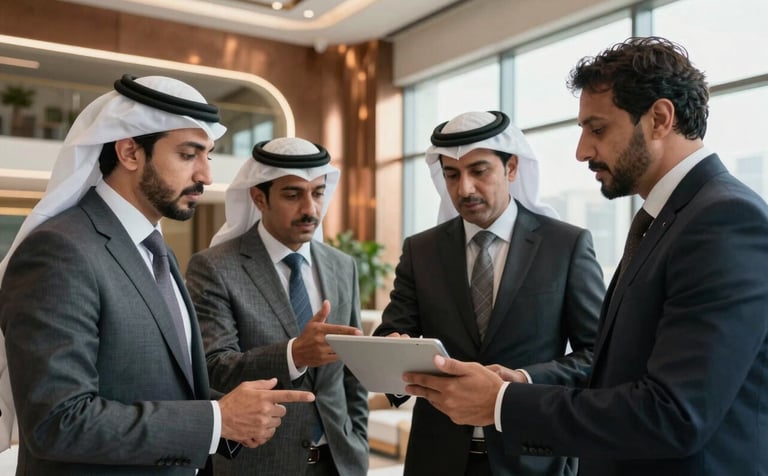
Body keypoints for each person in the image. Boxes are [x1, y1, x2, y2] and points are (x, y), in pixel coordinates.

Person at [402, 37, 768, 476]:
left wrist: (500, 402)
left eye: (597, 129)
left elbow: (674, 414)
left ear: (659, 118)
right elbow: (618, 371)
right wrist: (519, 382)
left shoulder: (723, 218)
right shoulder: (668, 218)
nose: (581, 151)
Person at [0, 74, 315, 475]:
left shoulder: (155, 248)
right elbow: (57, 421)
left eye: (208, 156)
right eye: (188, 155)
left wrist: (234, 414)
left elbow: (164, 382)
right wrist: (217, 419)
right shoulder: (60, 251)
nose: (205, 175)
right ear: (130, 152)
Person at [373, 110, 605, 476]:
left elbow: (598, 354)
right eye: (452, 174)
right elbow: (390, 333)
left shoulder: (566, 245)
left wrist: (524, 380)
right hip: (436, 458)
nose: (464, 188)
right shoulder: (422, 250)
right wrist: (394, 350)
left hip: (533, 456)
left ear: (511, 168)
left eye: (479, 171)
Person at [185, 137, 369, 476]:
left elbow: (351, 375)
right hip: (259, 464)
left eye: (317, 193)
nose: (310, 209)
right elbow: (212, 367)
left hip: (340, 462)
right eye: (292, 194)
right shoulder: (214, 267)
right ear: (259, 197)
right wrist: (294, 354)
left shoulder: (342, 265)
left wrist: (357, 438)